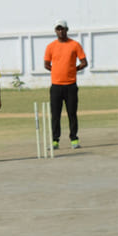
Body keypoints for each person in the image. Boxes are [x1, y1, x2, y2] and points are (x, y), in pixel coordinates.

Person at [44, 19, 87, 150]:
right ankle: (55, 140)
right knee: (55, 115)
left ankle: (74, 139)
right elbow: (46, 64)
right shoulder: (51, 46)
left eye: (62, 29)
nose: (61, 31)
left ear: (67, 30)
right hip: (56, 86)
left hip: (71, 85)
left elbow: (84, 62)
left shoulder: (75, 45)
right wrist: (56, 71)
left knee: (72, 113)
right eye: (58, 29)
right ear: (55, 31)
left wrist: (74, 69)